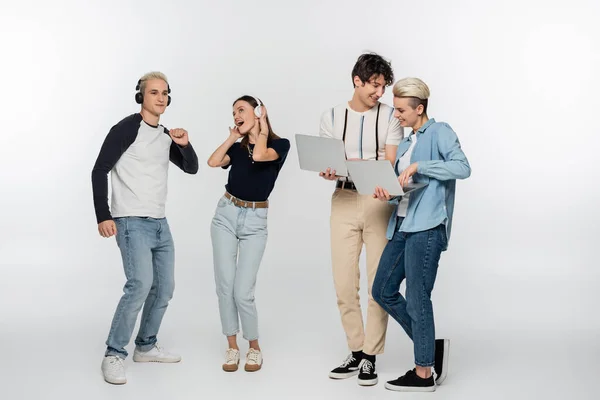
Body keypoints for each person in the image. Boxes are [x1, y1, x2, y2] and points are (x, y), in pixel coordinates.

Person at [91, 72, 199, 385]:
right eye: (154, 93)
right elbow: (99, 169)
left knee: (164, 287)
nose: (161, 98)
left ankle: (146, 346)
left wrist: (185, 143)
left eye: (165, 93)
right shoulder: (126, 129)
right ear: (142, 97)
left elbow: (191, 167)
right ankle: (114, 353)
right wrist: (103, 215)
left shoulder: (166, 134)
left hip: (159, 223)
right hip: (130, 221)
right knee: (139, 285)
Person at [371, 77, 471, 392]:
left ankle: (424, 373)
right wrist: (385, 191)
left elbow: (462, 167)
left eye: (401, 110)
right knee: (383, 290)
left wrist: (419, 167)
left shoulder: (440, 132)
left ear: (420, 108)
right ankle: (430, 349)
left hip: (427, 227)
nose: (396, 115)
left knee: (417, 297)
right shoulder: (404, 142)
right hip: (401, 225)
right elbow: (402, 187)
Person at [318, 53, 404, 386]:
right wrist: (329, 171)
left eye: (383, 86)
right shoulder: (332, 117)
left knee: (376, 284)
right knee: (343, 282)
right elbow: (330, 162)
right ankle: (355, 349)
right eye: (375, 85)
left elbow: (388, 164)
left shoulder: (390, 118)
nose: (380, 92)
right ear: (358, 80)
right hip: (342, 197)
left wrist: (364, 167)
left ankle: (370, 355)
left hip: (377, 201)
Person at [207, 95, 290, 373]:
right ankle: (232, 346)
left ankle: (254, 347)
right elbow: (213, 161)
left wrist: (263, 129)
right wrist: (232, 137)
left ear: (258, 112)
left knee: (243, 292)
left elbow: (260, 155)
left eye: (241, 110)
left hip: (255, 221)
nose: (236, 116)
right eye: (233, 113)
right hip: (226, 215)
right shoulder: (239, 147)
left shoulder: (280, 145)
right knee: (225, 286)